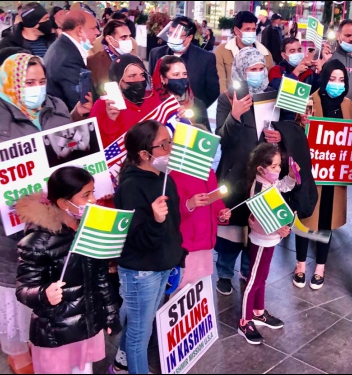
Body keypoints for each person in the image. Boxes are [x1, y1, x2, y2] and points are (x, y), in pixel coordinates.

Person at [0, 52, 76, 375]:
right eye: (29, 82)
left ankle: (41, 342)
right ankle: (16, 352)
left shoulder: (58, 107)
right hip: (8, 228)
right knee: (15, 285)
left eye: (42, 82)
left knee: (46, 283)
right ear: (10, 82)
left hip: (54, 222)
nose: (37, 88)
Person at [14, 167, 121, 374]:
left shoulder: (91, 228)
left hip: (86, 326)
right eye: (86, 195)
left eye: (93, 192)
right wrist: (43, 295)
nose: (93, 200)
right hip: (56, 333)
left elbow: (100, 277)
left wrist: (109, 313)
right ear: (64, 203)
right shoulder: (38, 241)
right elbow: (23, 289)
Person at [109, 120, 184, 374]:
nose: (170, 149)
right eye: (164, 145)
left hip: (162, 265)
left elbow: (173, 225)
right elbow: (136, 240)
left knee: (140, 324)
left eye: (170, 141)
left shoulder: (164, 178)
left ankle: (121, 365)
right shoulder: (131, 187)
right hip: (141, 272)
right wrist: (155, 220)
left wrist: (177, 258)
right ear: (144, 154)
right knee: (141, 335)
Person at [214, 47, 281, 295]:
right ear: (242, 71)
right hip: (234, 173)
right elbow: (220, 138)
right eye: (251, 69)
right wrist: (234, 115)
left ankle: (246, 269)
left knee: (255, 224)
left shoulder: (270, 97)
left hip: (260, 176)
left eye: (260, 68)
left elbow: (278, 132)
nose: (257, 73)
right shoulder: (229, 97)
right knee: (232, 227)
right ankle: (223, 272)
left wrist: (278, 136)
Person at [292, 59, 352, 290]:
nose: (336, 84)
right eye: (332, 79)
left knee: (325, 220)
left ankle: (320, 266)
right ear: (324, 77)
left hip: (334, 175)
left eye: (341, 80)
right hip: (310, 173)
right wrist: (302, 123)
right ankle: (300, 265)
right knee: (305, 217)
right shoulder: (309, 100)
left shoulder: (347, 104)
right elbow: (294, 132)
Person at [237, 143, 295, 345]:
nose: (278, 170)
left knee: (262, 276)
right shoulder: (259, 188)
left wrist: (292, 177)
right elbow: (260, 219)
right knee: (254, 279)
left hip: (270, 239)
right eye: (274, 167)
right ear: (261, 168)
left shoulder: (268, 182)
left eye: (280, 165)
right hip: (262, 240)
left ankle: (258, 312)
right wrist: (278, 228)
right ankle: (245, 320)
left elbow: (282, 186)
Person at [170, 149, 232, 291]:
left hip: (206, 240)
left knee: (201, 283)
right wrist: (188, 204)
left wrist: (221, 212)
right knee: (182, 285)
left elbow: (215, 200)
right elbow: (171, 211)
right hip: (187, 244)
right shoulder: (174, 175)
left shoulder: (209, 173)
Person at [90, 54, 162, 147]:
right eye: (132, 76)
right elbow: (97, 146)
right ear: (117, 79)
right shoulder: (103, 105)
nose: (139, 80)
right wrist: (111, 120)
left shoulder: (154, 98)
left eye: (142, 75)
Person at [149, 16, 220, 109]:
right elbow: (152, 85)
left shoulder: (206, 58)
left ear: (189, 37)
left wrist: (196, 109)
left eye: (177, 35)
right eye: (170, 33)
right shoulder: (156, 53)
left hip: (193, 115)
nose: (172, 38)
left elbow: (212, 92)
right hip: (161, 112)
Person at [43, 9, 100, 111]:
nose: (98, 32)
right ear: (79, 30)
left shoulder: (63, 47)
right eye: (93, 28)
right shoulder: (68, 58)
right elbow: (81, 103)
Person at [215, 11, 274, 94]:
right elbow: (221, 82)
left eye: (253, 29)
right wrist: (229, 102)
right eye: (247, 29)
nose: (251, 33)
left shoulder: (265, 54)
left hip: (259, 102)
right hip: (233, 101)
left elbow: (269, 83)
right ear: (236, 30)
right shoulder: (222, 51)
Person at [269, 37, 327, 117]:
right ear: (284, 55)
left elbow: (317, 92)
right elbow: (279, 90)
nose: (297, 53)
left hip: (305, 117)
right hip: (284, 118)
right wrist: (295, 73)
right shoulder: (276, 70)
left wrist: (320, 72)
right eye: (292, 51)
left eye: (299, 50)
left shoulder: (308, 71)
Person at [152, 55, 211, 129]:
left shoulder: (197, 104)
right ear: (163, 79)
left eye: (184, 74)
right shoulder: (153, 105)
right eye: (176, 74)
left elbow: (207, 135)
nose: (181, 78)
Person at [87, 20, 132, 102]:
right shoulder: (93, 62)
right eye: (123, 37)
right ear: (109, 39)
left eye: (129, 36)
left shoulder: (136, 61)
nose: (129, 41)